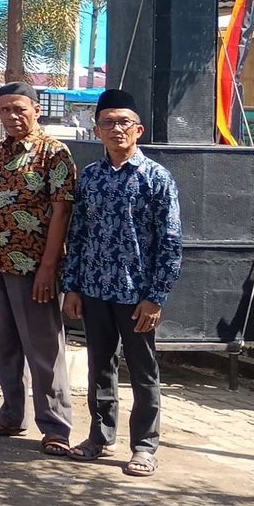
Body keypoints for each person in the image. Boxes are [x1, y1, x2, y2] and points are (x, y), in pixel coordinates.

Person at [64, 89, 182, 478]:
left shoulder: (156, 179)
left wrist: (156, 297)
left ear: (138, 130)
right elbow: (77, 235)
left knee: (143, 371)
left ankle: (144, 447)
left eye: (124, 122)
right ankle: (100, 437)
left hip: (137, 295)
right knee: (100, 366)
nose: (116, 129)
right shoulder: (91, 177)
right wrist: (72, 286)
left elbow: (170, 243)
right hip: (94, 290)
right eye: (108, 123)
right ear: (97, 130)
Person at [0, 81, 77, 457]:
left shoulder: (54, 152)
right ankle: (10, 414)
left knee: (43, 349)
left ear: (36, 109)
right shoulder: (0, 150)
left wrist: (49, 267)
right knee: (3, 346)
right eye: (5, 109)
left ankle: (55, 426)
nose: (12, 116)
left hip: (34, 267)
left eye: (19, 108)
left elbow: (62, 212)